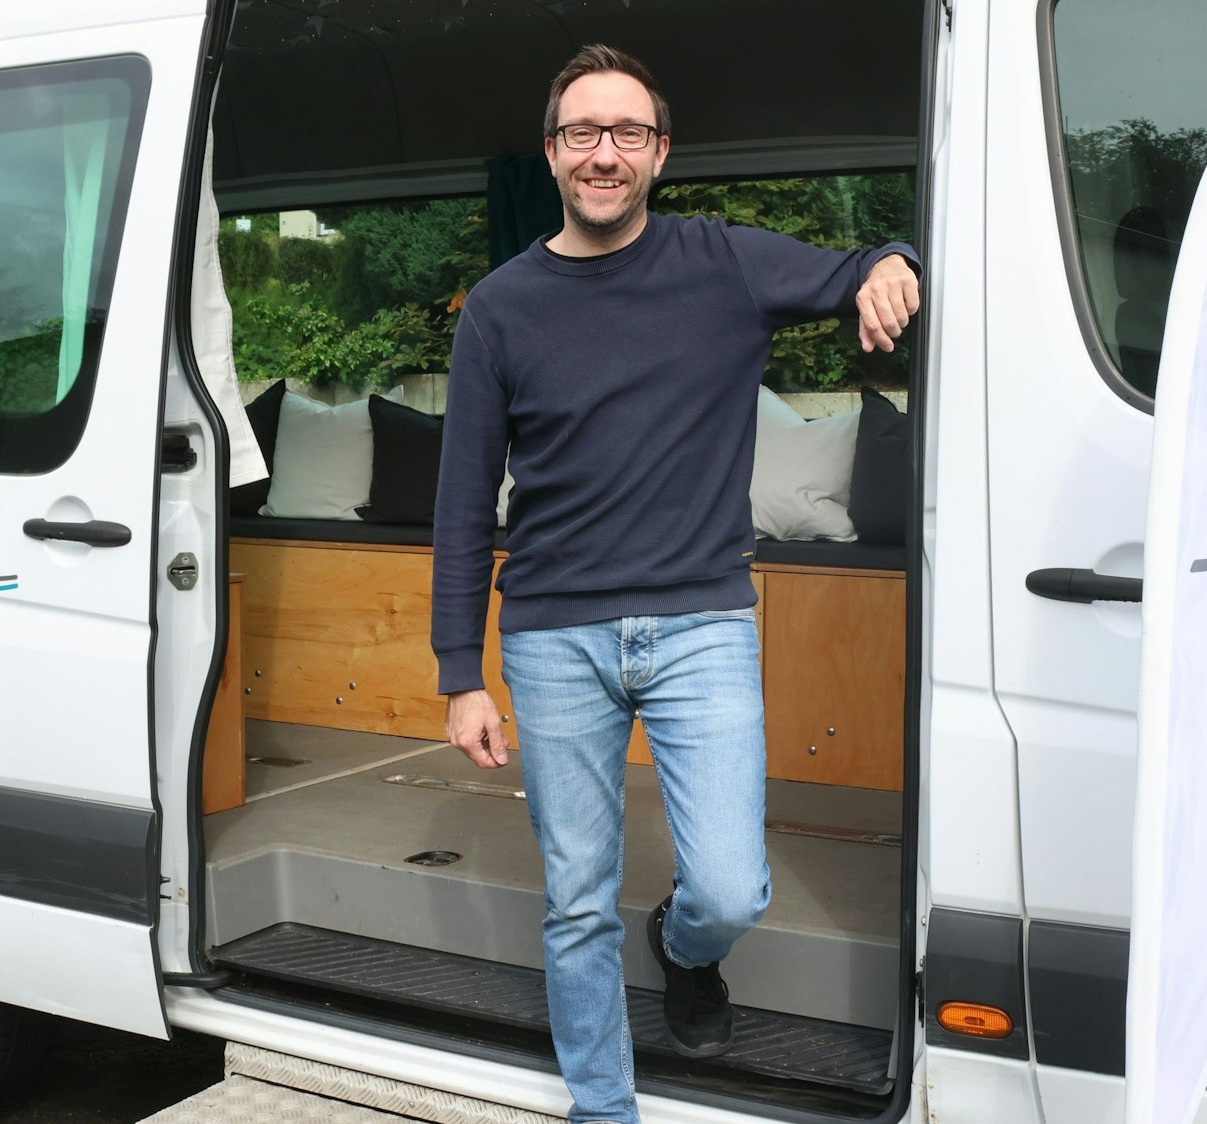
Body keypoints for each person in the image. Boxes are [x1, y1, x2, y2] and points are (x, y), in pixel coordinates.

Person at [430, 43, 921, 1124]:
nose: (604, 154)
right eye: (582, 134)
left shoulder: (724, 262)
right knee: (576, 902)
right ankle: (604, 1107)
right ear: (553, 152)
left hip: (702, 622)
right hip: (554, 637)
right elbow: (464, 501)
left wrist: (892, 258)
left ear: (659, 152)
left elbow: (857, 266)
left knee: (729, 887)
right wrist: (459, 672)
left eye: (628, 134)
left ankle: (685, 946)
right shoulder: (501, 309)